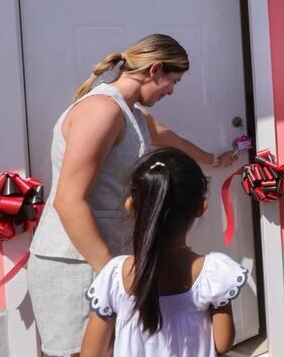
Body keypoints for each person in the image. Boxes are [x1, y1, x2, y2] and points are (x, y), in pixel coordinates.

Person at [28, 34, 238, 357]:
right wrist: (114, 278)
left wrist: (214, 160)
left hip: (104, 262)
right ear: (155, 70)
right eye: (174, 81)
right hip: (74, 262)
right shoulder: (102, 111)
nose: (172, 91)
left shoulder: (133, 115)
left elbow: (172, 139)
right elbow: (68, 200)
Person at [80, 147, 248, 356]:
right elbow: (222, 343)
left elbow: (91, 353)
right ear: (201, 207)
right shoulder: (212, 274)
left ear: (130, 204)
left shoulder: (115, 275)